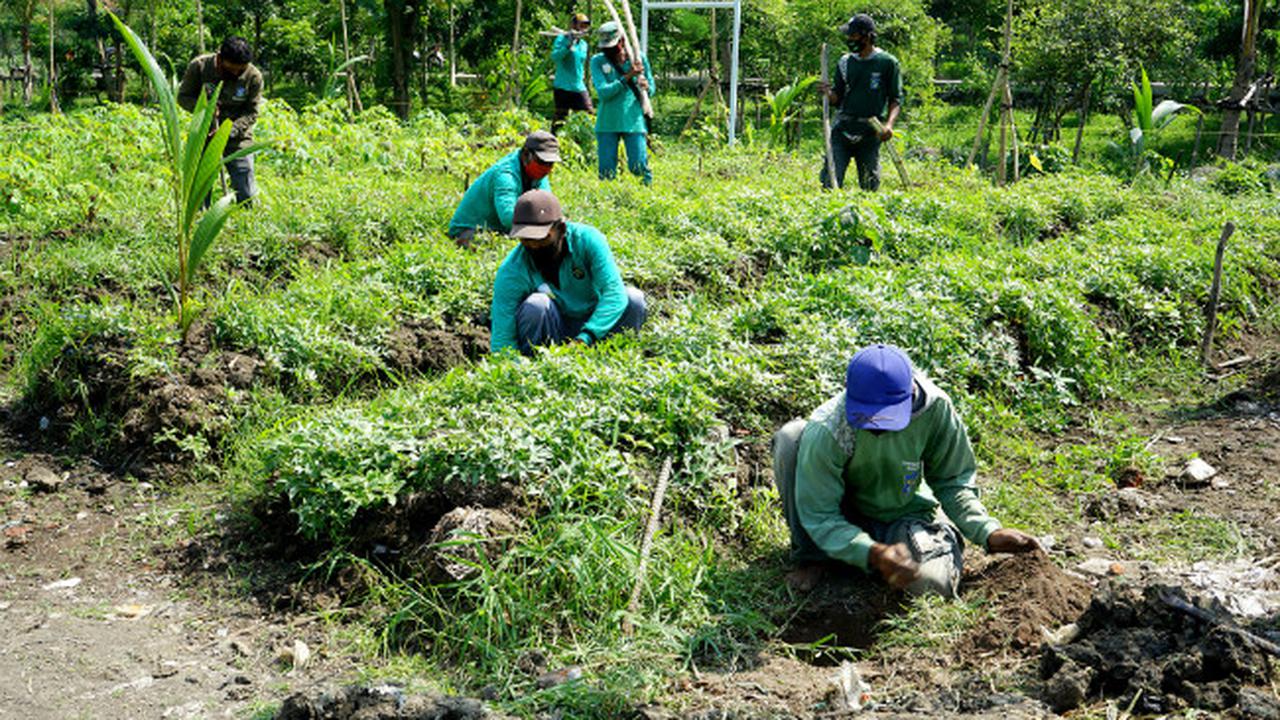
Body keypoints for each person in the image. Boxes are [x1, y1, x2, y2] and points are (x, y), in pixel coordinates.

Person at [773, 344, 1040, 594]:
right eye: (867, 418)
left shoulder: (935, 409)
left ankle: (894, 553)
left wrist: (987, 532)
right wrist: (872, 552)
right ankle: (814, 557)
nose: (876, 427)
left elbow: (953, 480)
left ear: (909, 396)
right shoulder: (830, 426)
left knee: (932, 584)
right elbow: (820, 513)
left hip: (901, 516)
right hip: (841, 514)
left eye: (886, 418)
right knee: (791, 438)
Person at [490, 189, 647, 354]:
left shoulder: (588, 241)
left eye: (542, 238)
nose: (534, 246)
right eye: (526, 239)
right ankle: (537, 365)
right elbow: (502, 338)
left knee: (633, 299)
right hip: (553, 331)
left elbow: (614, 293)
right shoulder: (512, 270)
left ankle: (615, 358)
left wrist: (585, 338)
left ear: (561, 229)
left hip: (598, 326)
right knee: (536, 306)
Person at [817, 13, 902, 191]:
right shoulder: (845, 62)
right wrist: (828, 93)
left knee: (870, 185)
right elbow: (837, 98)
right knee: (830, 182)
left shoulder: (887, 63)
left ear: (868, 36)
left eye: (853, 35)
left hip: (870, 132)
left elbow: (895, 98)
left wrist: (889, 125)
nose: (849, 39)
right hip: (843, 129)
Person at [177, 36, 264, 205]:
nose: (236, 73)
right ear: (220, 58)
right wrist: (204, 108)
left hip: (237, 134)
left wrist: (228, 131)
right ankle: (200, 219)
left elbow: (251, 112)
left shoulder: (253, 76)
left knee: (245, 186)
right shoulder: (200, 67)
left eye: (240, 70)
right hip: (204, 132)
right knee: (200, 187)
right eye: (231, 69)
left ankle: (247, 221)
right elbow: (183, 97)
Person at [448, 131, 561, 248]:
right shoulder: (505, 175)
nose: (547, 168)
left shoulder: (538, 173)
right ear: (526, 154)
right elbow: (508, 217)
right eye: (542, 162)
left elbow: (546, 207)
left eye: (550, 164)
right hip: (470, 230)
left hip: (502, 230)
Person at [590, 21, 654, 185]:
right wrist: (627, 76)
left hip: (633, 121)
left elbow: (651, 89)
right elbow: (604, 93)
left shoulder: (639, 59)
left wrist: (646, 86)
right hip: (607, 122)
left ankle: (646, 197)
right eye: (606, 48)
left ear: (622, 41)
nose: (609, 51)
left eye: (613, 46)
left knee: (639, 166)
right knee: (606, 172)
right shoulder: (597, 61)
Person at [552, 13, 595, 127]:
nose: (583, 28)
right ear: (573, 25)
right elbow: (555, 57)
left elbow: (580, 63)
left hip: (578, 86)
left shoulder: (583, 44)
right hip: (563, 86)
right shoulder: (562, 39)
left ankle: (581, 142)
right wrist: (568, 45)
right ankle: (553, 143)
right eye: (581, 25)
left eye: (585, 26)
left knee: (587, 115)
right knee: (560, 120)